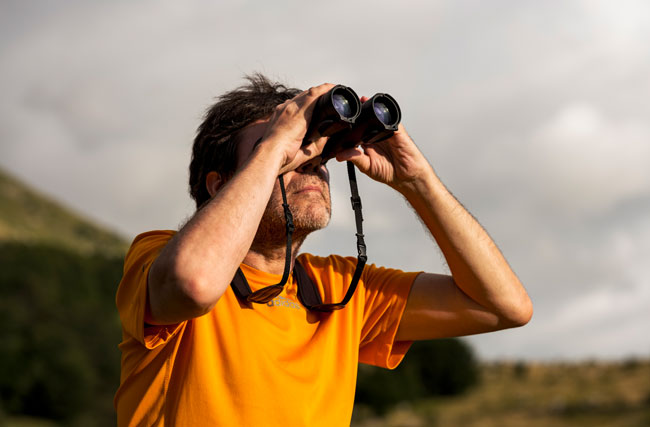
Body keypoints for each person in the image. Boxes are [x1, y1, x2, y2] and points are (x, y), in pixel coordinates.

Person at [114, 74, 532, 426]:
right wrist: (277, 144)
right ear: (219, 185)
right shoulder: (158, 257)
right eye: (288, 153)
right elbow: (194, 284)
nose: (309, 161)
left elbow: (504, 307)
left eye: (316, 151)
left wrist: (416, 180)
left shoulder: (340, 289)